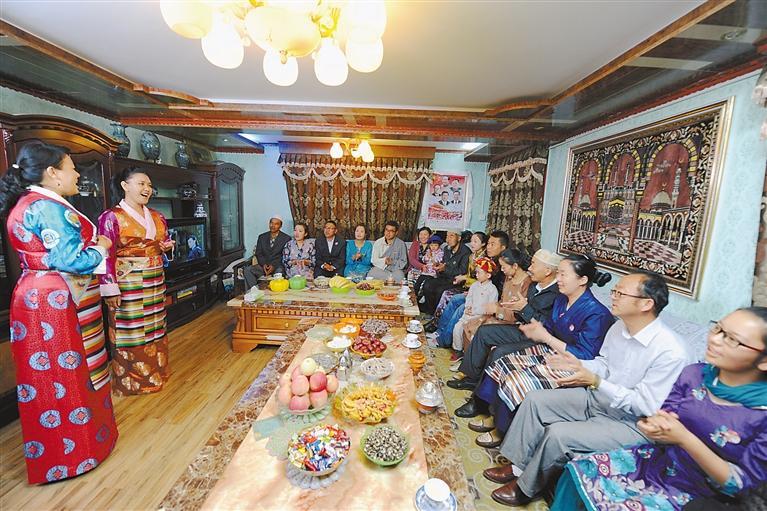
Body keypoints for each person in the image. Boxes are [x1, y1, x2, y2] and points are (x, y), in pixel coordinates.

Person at [482, 271, 690, 506]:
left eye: (620, 293)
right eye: (614, 291)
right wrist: (576, 364)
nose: (613, 297)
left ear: (646, 304)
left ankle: (525, 488)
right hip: (600, 398)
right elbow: (604, 364)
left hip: (634, 423)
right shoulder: (618, 328)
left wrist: (596, 381)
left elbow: (646, 405)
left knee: (558, 434)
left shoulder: (671, 351)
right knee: (535, 400)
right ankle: (517, 466)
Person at [551, 307, 767, 511]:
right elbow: (665, 415)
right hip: (661, 462)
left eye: (732, 339)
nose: (715, 339)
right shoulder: (694, 374)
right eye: (718, 329)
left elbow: (743, 487)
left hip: (703, 493)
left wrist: (684, 438)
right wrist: (655, 426)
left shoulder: (761, 412)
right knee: (580, 470)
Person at [1, 141, 117, 483]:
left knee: (46, 377)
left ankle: (57, 456)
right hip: (55, 299)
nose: (77, 174)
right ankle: (77, 454)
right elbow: (70, 259)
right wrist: (102, 247)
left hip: (33, 295)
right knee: (67, 374)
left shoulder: (26, 204)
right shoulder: (48, 207)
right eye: (72, 168)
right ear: (52, 173)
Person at [471, 254, 615, 448]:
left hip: (571, 363)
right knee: (503, 363)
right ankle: (493, 414)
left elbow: (584, 355)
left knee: (517, 380)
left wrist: (546, 337)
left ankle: (502, 429)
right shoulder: (562, 299)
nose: (558, 279)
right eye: (558, 274)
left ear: (582, 280)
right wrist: (536, 328)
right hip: (551, 349)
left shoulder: (597, 313)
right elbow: (550, 327)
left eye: (563, 274)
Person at [98, 167, 175, 396]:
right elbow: (104, 254)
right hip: (127, 282)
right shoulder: (112, 217)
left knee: (155, 327)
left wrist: (166, 247)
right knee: (131, 329)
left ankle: (156, 373)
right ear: (125, 185)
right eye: (141, 183)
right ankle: (132, 382)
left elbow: (164, 241)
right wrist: (110, 288)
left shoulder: (157, 216)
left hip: (154, 280)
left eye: (149, 185)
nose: (147, 189)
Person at [448, 249, 562, 394]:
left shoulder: (557, 293)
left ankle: (479, 397)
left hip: (537, 338)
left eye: (534, 264)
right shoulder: (535, 286)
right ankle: (471, 378)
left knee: (499, 352)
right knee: (483, 332)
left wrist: (523, 309)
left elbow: (548, 326)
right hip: (523, 328)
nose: (530, 268)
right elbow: (522, 313)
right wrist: (516, 307)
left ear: (547, 271)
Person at [449, 248, 532, 370]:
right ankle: (467, 362)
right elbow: (502, 300)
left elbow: (519, 313)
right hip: (500, 315)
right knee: (469, 325)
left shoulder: (527, 283)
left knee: (479, 330)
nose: (502, 270)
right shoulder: (509, 278)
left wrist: (496, 310)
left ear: (515, 266)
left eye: (504, 267)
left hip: (513, 322)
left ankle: (473, 367)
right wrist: (495, 308)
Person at [427, 231, 488, 342]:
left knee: (446, 293)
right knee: (429, 284)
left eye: (475, 241)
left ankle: (439, 329)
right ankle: (437, 326)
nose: (472, 244)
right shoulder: (472, 256)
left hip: (467, 286)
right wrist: (440, 267)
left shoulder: (482, 259)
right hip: (463, 283)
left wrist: (462, 278)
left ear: (483, 244)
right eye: (471, 241)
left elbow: (471, 276)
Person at [452, 257, 499, 358]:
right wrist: (468, 307)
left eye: (479, 273)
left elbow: (490, 308)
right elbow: (469, 297)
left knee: (470, 335)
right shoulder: (474, 285)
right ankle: (458, 350)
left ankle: (468, 354)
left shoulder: (492, 290)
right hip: (468, 314)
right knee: (457, 328)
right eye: (476, 272)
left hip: (480, 317)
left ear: (488, 275)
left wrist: (475, 311)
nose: (476, 275)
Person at [418, 230, 471, 314]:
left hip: (455, 280)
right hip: (444, 277)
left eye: (451, 236)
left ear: (459, 238)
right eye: (447, 236)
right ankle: (430, 310)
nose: (448, 239)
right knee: (427, 284)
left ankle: (436, 314)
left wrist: (444, 269)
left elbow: (462, 271)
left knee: (440, 290)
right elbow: (443, 264)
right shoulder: (447, 248)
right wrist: (438, 266)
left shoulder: (465, 252)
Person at [243, 215, 291, 288]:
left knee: (279, 273)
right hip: (263, 266)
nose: (273, 226)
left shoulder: (286, 238)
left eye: (276, 224)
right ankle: (254, 291)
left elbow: (285, 256)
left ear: (280, 226)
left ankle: (276, 294)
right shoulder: (262, 237)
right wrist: (264, 264)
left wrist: (273, 266)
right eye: (271, 223)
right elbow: (258, 253)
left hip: (278, 266)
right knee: (248, 270)